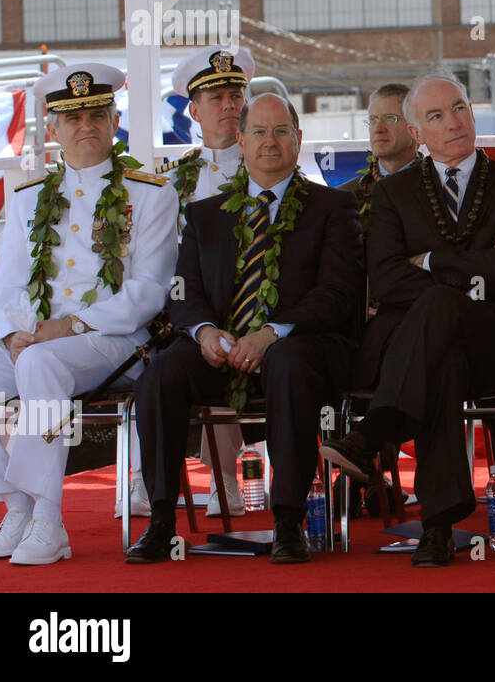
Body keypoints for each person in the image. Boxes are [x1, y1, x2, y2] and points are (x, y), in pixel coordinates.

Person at [126, 94, 364, 564]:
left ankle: (289, 520)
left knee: (289, 365)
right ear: (240, 139)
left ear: (298, 140)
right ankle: (159, 521)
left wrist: (272, 332)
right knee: (161, 375)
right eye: (259, 132)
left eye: (281, 131)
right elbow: (184, 293)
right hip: (221, 348)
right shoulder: (205, 215)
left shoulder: (333, 207)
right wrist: (205, 332)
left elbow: (338, 293)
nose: (269, 142)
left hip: (300, 347)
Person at [320, 73, 495, 568]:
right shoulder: (392, 193)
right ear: (417, 133)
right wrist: (473, 266)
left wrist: (432, 261)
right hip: (425, 350)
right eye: (436, 116)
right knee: (442, 360)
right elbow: (387, 280)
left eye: (459, 108)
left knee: (441, 308)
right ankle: (437, 528)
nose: (454, 122)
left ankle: (376, 432)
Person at [0, 64, 177, 565]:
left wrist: (67, 327)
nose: (85, 125)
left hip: (118, 342)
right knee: (3, 366)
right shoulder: (29, 199)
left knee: (39, 365)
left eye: (96, 114)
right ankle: (18, 508)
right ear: (53, 130)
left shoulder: (150, 192)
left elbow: (149, 292)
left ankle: (50, 521)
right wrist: (14, 335)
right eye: (72, 118)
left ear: (115, 121)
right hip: (40, 342)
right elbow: (6, 289)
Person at [151, 46, 257, 520]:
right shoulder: (171, 184)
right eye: (216, 97)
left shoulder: (273, 166)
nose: (229, 104)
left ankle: (230, 477)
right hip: (186, 310)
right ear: (193, 111)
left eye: (236, 94)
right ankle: (151, 479)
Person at [342, 82, 420, 233]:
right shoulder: (346, 198)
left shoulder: (440, 187)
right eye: (373, 120)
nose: (378, 129)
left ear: (415, 127)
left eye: (390, 118)